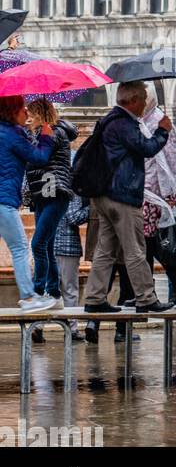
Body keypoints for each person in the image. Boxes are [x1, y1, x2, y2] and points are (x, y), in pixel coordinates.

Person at [82, 81, 174, 314]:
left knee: (106, 249)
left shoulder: (108, 121)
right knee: (135, 249)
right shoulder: (124, 124)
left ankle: (94, 297)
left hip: (103, 195)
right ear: (132, 101)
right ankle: (145, 297)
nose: (145, 104)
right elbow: (147, 148)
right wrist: (162, 130)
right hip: (122, 195)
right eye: (143, 100)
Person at [0, 96, 56, 312]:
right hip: (4, 200)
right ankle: (29, 297)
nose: (26, 110)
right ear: (11, 111)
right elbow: (39, 157)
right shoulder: (13, 134)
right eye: (21, 107)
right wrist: (46, 138)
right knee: (20, 248)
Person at [23, 99, 77, 307]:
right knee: (46, 246)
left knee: (38, 244)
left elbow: (39, 157)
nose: (28, 116)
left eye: (32, 112)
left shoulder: (54, 133)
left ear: (41, 114)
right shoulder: (40, 133)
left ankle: (37, 291)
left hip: (56, 193)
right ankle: (54, 292)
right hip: (42, 195)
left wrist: (27, 135)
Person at [138, 92, 176, 305]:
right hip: (142, 191)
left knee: (150, 243)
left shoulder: (160, 120)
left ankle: (166, 282)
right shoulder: (141, 121)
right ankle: (171, 279)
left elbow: (171, 160)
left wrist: (171, 192)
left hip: (155, 193)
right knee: (147, 243)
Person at [52, 193, 90, 341]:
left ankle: (38, 327)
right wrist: (91, 208)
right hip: (67, 246)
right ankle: (72, 330)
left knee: (50, 289)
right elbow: (73, 217)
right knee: (70, 290)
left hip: (50, 244)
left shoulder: (52, 187)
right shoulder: (72, 192)